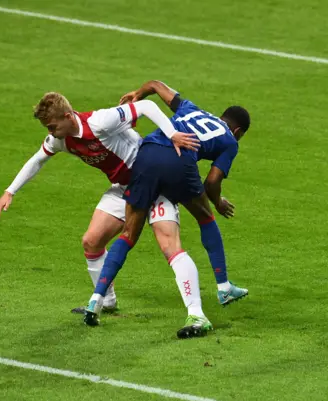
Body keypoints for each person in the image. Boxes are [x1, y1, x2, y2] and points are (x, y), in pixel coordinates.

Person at [0, 92, 199, 312]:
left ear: (68, 116)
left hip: (152, 183)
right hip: (123, 189)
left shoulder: (99, 122)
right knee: (91, 241)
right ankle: (107, 300)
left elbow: (146, 106)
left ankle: (196, 312)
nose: (50, 133)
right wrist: (9, 191)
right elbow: (37, 160)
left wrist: (172, 133)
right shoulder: (60, 140)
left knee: (169, 247)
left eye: (52, 126)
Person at [85, 81, 251, 338]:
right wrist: (217, 202)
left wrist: (138, 93)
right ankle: (224, 286)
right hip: (178, 159)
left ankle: (96, 299)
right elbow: (212, 181)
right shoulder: (230, 141)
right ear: (238, 130)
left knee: (128, 234)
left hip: (146, 154)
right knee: (205, 219)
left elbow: (156, 85)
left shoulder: (191, 108)